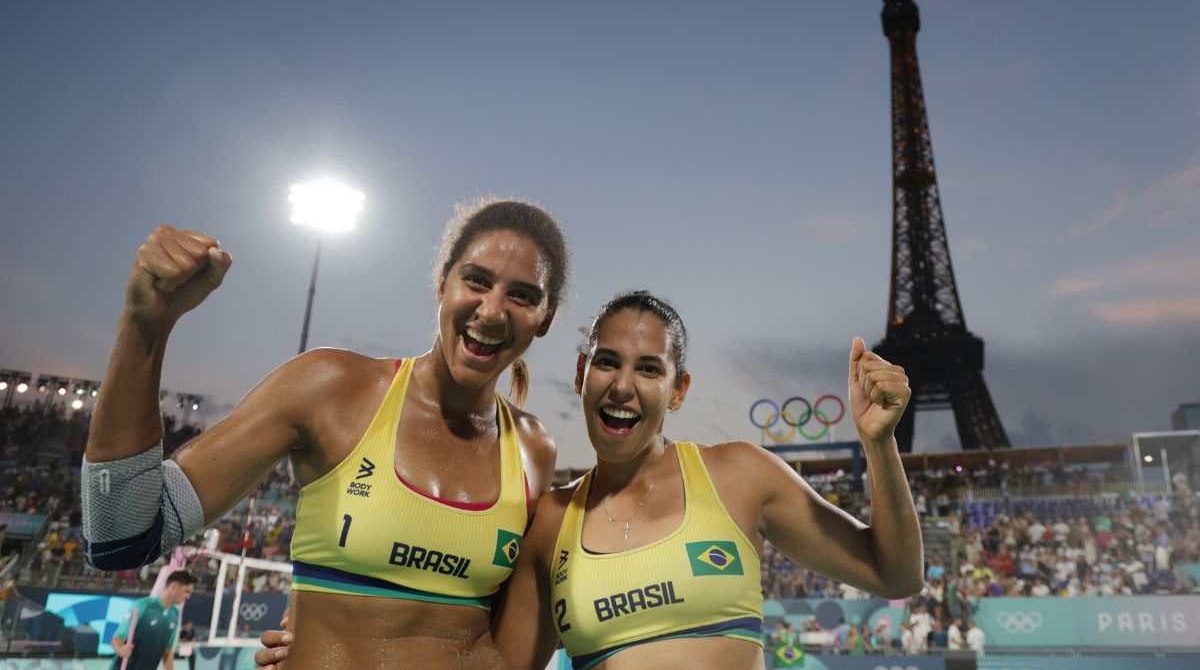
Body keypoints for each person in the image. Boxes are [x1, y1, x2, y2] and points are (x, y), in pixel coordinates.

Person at [256, 290, 924, 669]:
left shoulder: (739, 475)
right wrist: (329, 640)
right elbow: (497, 666)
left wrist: (879, 445)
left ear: (679, 387)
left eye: (649, 368)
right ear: (581, 375)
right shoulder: (548, 522)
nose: (623, 386)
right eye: (606, 363)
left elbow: (893, 574)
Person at [83, 199, 570, 668]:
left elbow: (516, 631)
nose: (491, 311)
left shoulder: (533, 450)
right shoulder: (331, 389)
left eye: (523, 295)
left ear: (545, 317)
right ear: (442, 283)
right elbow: (119, 535)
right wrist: (145, 325)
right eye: (476, 281)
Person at [109, 570, 196, 670]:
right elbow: (117, 639)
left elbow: (167, 651)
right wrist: (121, 650)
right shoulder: (142, 606)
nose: (188, 596)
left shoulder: (174, 614)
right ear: (174, 586)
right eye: (186, 591)